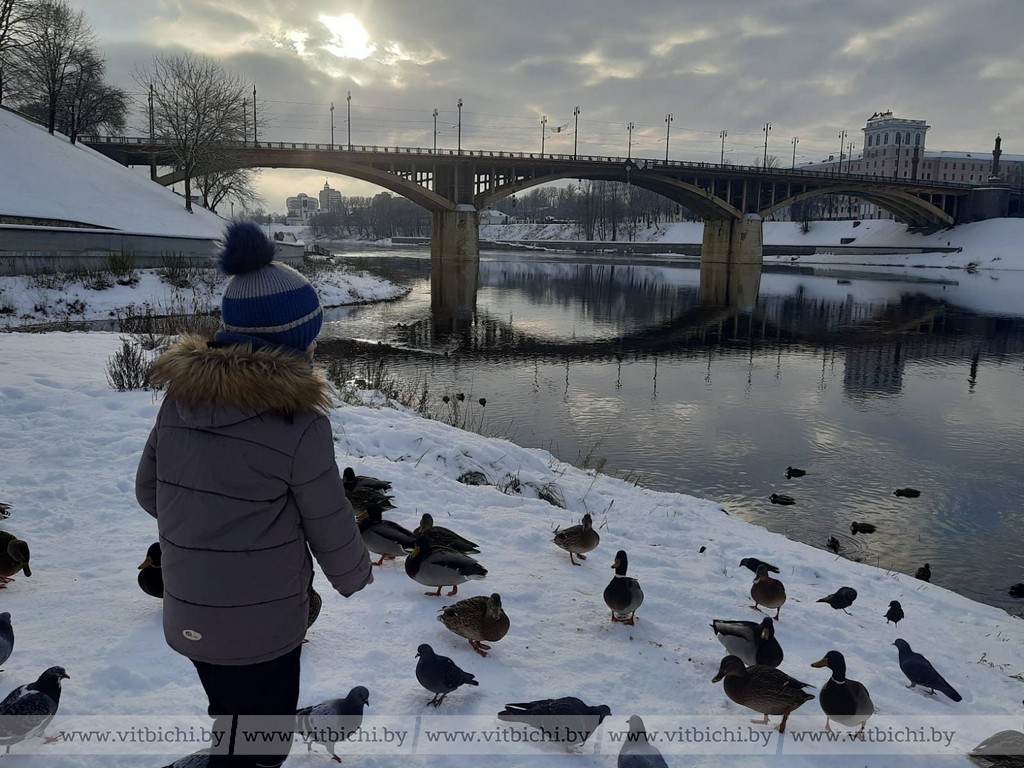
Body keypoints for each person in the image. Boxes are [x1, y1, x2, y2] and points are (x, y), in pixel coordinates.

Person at [136, 221, 373, 767]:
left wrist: (203, 521)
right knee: (267, 741)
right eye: (311, 335)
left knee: (228, 709)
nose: (316, 343)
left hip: (190, 609)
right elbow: (327, 517)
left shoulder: (179, 401)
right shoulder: (298, 424)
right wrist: (355, 575)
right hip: (264, 623)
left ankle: (227, 752)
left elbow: (150, 490)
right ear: (291, 343)